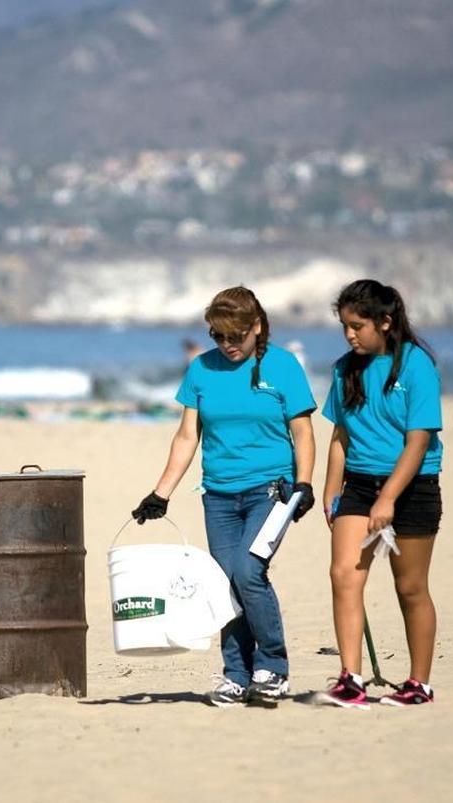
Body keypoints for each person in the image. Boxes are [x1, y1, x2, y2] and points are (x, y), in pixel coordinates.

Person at [132, 286, 316, 707]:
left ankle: (273, 667)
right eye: (218, 336)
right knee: (224, 584)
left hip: (271, 489)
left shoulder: (283, 366)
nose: (228, 345)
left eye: (236, 336)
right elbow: (186, 436)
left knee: (249, 572)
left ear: (257, 327)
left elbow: (303, 431)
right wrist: (160, 494)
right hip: (218, 495)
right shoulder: (202, 369)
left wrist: (303, 484)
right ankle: (237, 674)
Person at [318, 279, 443, 709]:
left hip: (412, 487)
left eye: (357, 326)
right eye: (344, 327)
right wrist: (331, 489)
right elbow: (340, 433)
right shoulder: (344, 368)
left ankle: (419, 683)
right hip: (358, 484)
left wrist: (388, 498)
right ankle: (350, 679)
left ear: (385, 322)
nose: (350, 335)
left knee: (409, 587)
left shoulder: (415, 366)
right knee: (343, 575)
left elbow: (419, 439)